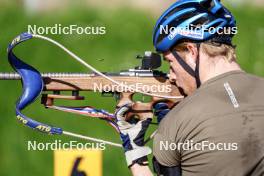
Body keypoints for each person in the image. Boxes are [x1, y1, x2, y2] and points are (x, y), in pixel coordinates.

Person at [116, 0, 264, 175]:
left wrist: (135, 153)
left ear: (192, 51)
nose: (171, 76)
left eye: (170, 63)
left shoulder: (176, 123)